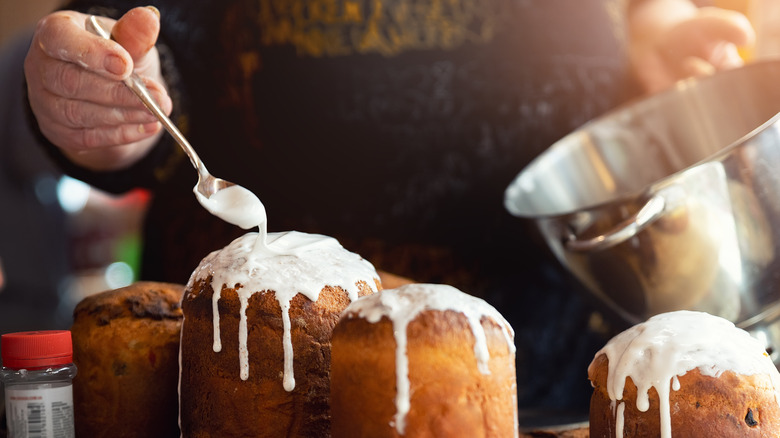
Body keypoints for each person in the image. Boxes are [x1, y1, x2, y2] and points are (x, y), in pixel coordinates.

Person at [22, 0, 754, 422]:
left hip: (559, 361)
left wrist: (654, 26)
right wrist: (106, 102)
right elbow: (122, 39)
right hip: (250, 365)